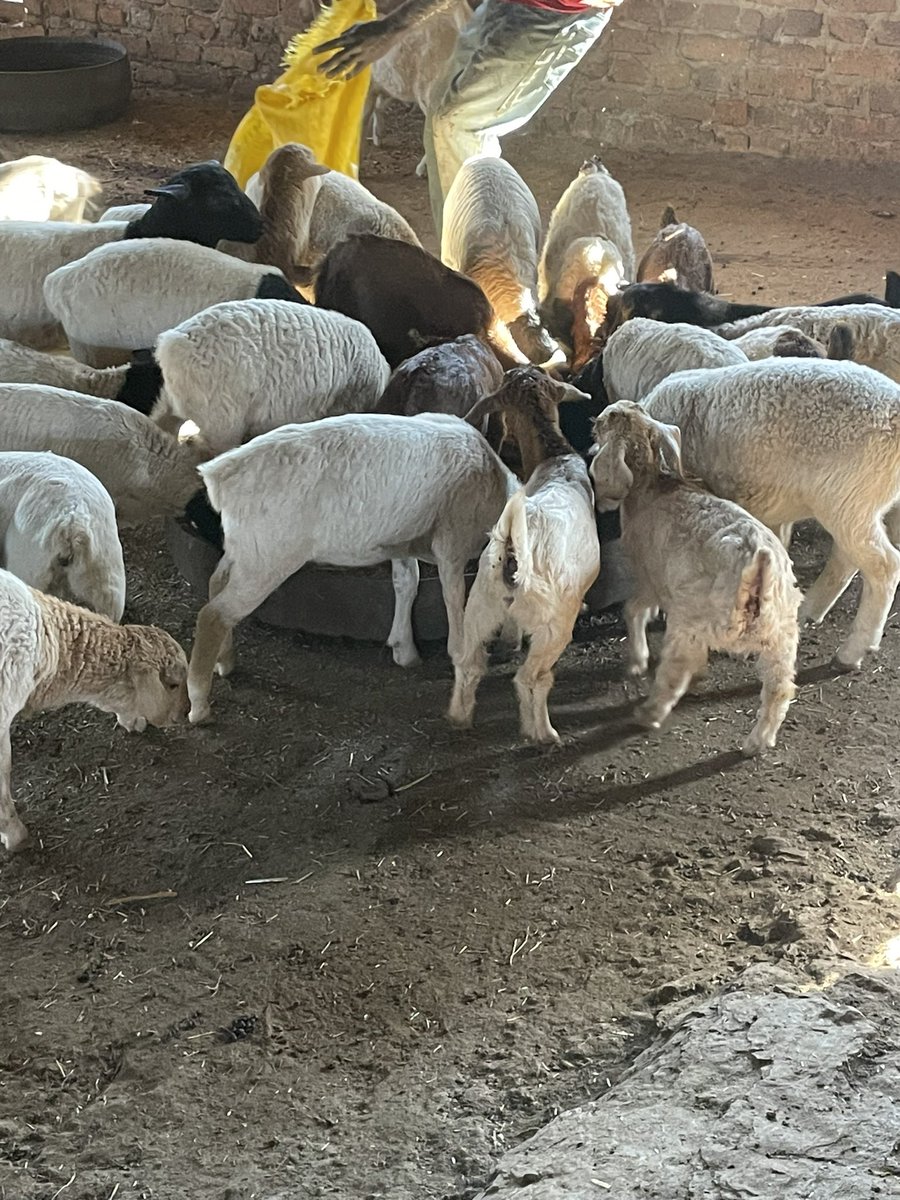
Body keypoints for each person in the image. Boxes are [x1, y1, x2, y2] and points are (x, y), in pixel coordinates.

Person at [314, 0, 624, 234]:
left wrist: (392, 27)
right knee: (442, 116)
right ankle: (466, 254)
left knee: (458, 124)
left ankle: (485, 261)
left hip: (560, 12)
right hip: (511, 4)